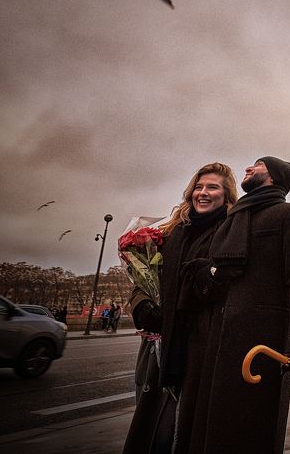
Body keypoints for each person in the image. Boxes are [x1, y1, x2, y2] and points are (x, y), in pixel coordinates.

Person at [174, 156, 290, 454]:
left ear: (274, 177)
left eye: (258, 165)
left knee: (250, 430)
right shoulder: (233, 220)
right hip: (220, 338)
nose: (249, 168)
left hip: (260, 341)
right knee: (214, 431)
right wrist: (205, 271)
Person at [124, 161, 239, 454]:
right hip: (160, 341)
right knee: (153, 426)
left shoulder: (231, 233)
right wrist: (142, 305)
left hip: (200, 344)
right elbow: (146, 277)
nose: (203, 193)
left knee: (182, 429)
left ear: (226, 195)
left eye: (212, 187)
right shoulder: (172, 232)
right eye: (198, 187)